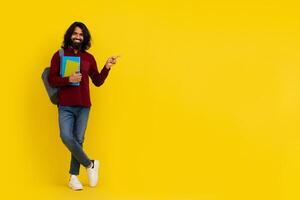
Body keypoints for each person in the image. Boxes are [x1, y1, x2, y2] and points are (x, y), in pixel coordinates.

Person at [48, 22, 118, 190]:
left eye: (81, 35)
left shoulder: (89, 58)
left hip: (84, 106)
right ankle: (90, 164)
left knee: (78, 140)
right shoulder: (59, 55)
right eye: (75, 34)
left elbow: (98, 81)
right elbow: (52, 80)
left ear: (84, 38)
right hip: (65, 105)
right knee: (66, 136)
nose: (77, 37)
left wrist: (107, 67)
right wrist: (68, 80)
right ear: (69, 35)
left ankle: (73, 178)